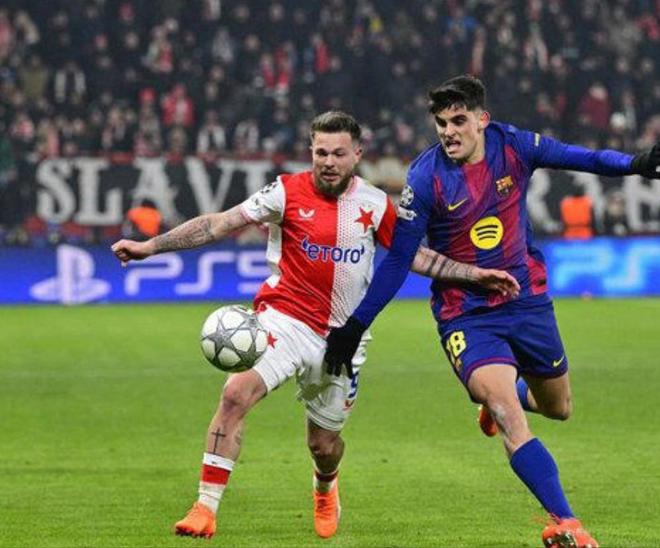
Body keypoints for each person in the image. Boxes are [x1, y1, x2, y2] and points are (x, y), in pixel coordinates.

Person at [110, 110, 519, 540]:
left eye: (338, 153)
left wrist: (475, 274)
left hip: (342, 338)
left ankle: (325, 484)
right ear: (311, 151)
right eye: (321, 152)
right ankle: (205, 508)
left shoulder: (375, 204)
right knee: (235, 394)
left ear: (357, 154)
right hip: (283, 320)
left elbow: (415, 256)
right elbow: (220, 222)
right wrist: (150, 247)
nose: (328, 162)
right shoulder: (285, 192)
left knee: (323, 445)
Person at [324, 77, 660, 548]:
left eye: (458, 120)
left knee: (558, 407)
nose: (448, 131)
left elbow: (580, 157)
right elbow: (400, 259)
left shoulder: (514, 146)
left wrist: (636, 164)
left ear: (482, 120)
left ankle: (507, 397)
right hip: (466, 313)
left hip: (526, 299)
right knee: (507, 413)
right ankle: (567, 522)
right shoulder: (425, 178)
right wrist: (355, 325)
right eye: (441, 123)